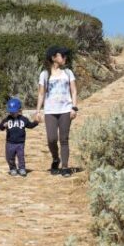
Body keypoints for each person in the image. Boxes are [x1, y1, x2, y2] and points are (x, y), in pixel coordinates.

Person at [35, 46, 78, 177]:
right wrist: (38, 111)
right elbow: (41, 94)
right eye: (62, 55)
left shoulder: (68, 73)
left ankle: (65, 166)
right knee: (51, 139)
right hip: (50, 111)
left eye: (65, 56)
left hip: (65, 109)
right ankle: (55, 158)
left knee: (64, 139)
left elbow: (74, 91)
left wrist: (74, 108)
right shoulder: (44, 74)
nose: (65, 58)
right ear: (54, 57)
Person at [0, 97, 38, 176]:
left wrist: (36, 122)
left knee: (21, 156)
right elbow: (0, 128)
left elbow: (30, 125)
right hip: (10, 142)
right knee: (9, 157)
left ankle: (22, 168)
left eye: (14, 112)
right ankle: (12, 168)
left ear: (19, 110)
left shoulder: (23, 119)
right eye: (11, 112)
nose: (12, 113)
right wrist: (3, 125)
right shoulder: (7, 119)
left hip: (20, 142)